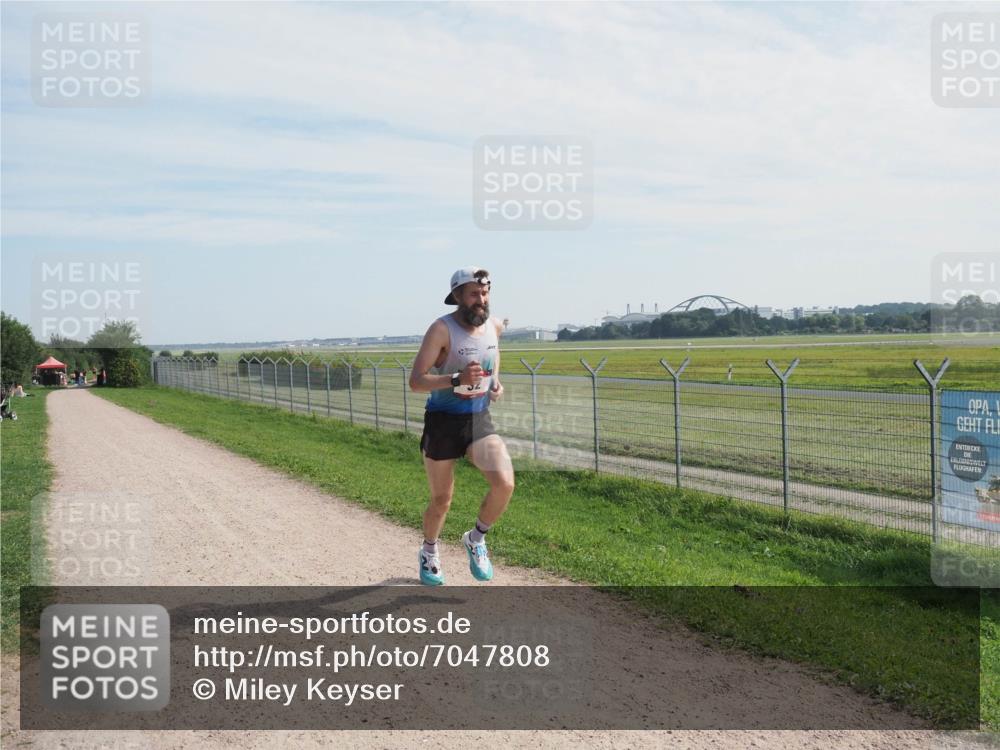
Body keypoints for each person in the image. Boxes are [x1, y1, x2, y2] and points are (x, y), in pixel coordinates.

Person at [409, 266, 514, 585]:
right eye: (474, 294)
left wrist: (496, 384)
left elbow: (492, 363)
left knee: (505, 483)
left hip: (478, 419)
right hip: (442, 422)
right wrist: (456, 379)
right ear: (457, 297)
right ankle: (429, 550)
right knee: (442, 500)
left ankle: (476, 538)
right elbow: (416, 381)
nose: (481, 299)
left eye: (484, 293)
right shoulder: (441, 330)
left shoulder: (494, 326)